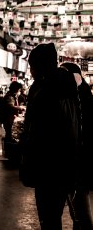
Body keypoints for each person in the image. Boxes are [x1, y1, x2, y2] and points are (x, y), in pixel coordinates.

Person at [19, 43, 82, 229]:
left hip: (50, 163)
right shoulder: (62, 85)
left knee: (49, 216)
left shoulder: (49, 89)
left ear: (42, 65)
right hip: (61, 163)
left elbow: (44, 129)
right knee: (52, 216)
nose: (30, 71)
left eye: (32, 66)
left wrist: (28, 147)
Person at [60, 61, 93, 229]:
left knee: (81, 210)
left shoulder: (79, 97)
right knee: (79, 208)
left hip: (78, 161)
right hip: (78, 161)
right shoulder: (83, 94)